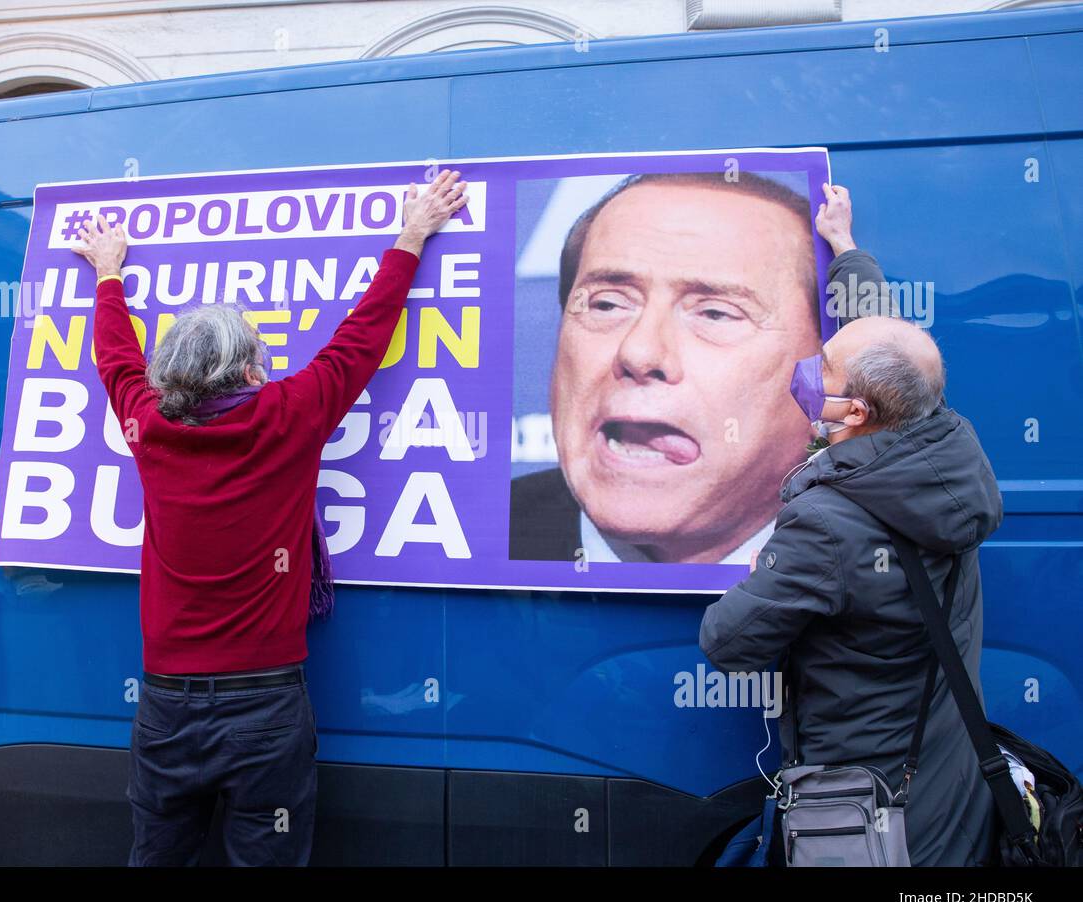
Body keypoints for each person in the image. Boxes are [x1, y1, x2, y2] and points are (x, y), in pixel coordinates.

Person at [72, 169, 468, 866]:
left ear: (170, 379)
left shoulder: (146, 422)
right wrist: (415, 231)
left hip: (166, 707)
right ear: (252, 374)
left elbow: (115, 358)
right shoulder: (291, 414)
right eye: (262, 354)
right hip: (268, 711)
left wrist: (109, 272)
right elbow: (362, 336)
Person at [698, 185, 1001, 866]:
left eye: (824, 369)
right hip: (948, 793)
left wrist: (762, 572)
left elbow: (727, 641)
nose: (808, 372)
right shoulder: (940, 445)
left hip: (870, 820)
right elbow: (888, 350)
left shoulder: (827, 524)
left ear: (858, 411)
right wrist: (846, 249)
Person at [510, 171, 825, 564]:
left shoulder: (890, 570)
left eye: (715, 313)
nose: (639, 352)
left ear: (825, 376)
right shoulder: (475, 541)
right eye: (607, 304)